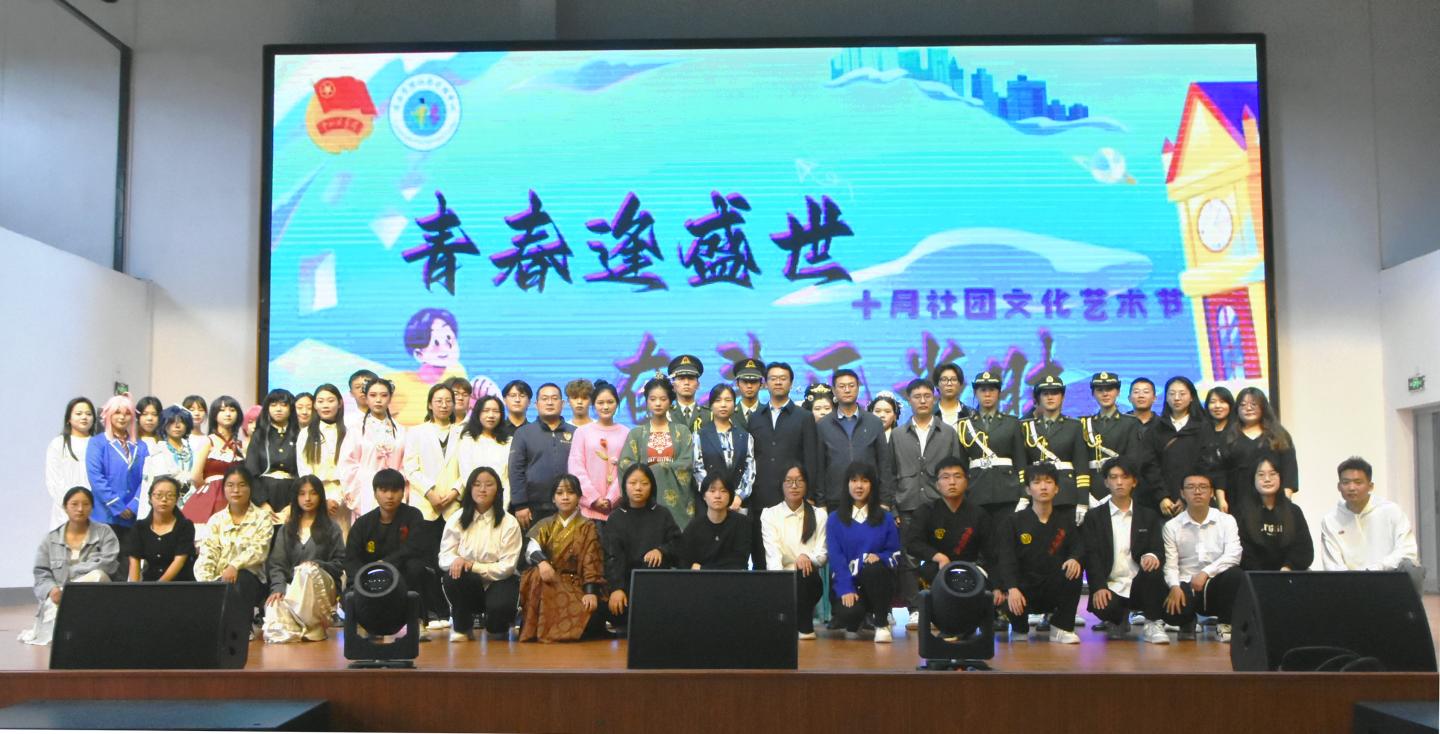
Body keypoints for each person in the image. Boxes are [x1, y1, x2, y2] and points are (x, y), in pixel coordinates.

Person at [890, 377, 959, 627]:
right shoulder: (897, 434)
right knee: (908, 559)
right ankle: (915, 609)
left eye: (927, 396)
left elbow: (956, 471)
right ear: (909, 400)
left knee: (940, 556)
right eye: (917, 396)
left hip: (939, 505)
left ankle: (943, 607)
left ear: (935, 398)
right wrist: (894, 509)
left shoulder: (948, 433)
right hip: (907, 505)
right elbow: (890, 473)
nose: (922, 400)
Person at [1080, 457, 1168, 644]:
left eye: (1125, 477)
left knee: (1154, 570)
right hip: (1111, 584)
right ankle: (1117, 619)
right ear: (1106, 482)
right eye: (1113, 477)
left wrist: (1151, 556)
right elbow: (1092, 556)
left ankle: (1153, 623)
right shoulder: (1094, 517)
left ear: (1134, 482)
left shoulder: (1148, 515)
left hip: (1139, 582)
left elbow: (1158, 549)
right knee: (1105, 607)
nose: (1119, 482)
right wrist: (1098, 587)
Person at [993, 464, 1085, 643]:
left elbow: (1078, 546)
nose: (1043, 487)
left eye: (1048, 482)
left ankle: (1061, 628)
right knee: (1006, 593)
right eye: (1036, 482)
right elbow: (1005, 558)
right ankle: (1019, 628)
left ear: (1056, 488)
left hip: (1053, 586)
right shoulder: (1013, 521)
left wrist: (1074, 558)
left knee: (1075, 571)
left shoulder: (1065, 521)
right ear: (1028, 489)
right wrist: (1011, 588)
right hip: (1023, 588)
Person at [20, 487, 119, 645]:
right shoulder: (51, 539)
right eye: (74, 504)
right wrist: (52, 590)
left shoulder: (105, 532)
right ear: (65, 507)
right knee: (57, 639)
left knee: (97, 575)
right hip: (58, 597)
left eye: (86, 504)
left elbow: (109, 563)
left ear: (92, 507)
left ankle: (69, 597)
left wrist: (70, 580)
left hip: (95, 597)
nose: (80, 509)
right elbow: (41, 573)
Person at [746, 361, 820, 568]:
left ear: (791, 383)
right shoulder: (755, 417)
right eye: (773, 378)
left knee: (794, 557)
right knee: (762, 558)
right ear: (765, 383)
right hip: (761, 498)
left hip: (794, 497)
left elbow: (811, 458)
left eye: (783, 378)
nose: (778, 382)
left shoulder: (804, 417)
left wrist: (811, 494)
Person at [402, 383, 463, 627]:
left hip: (454, 507)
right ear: (429, 404)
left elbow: (468, 468)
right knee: (425, 562)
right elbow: (410, 467)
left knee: (451, 560)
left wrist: (455, 491)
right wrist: (430, 492)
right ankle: (432, 612)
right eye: (439, 400)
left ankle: (453, 611)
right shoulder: (416, 432)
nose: (444, 405)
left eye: (448, 400)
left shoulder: (463, 433)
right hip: (426, 507)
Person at [518, 474, 605, 642]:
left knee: (590, 616)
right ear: (553, 498)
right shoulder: (545, 524)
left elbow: (591, 560)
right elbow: (531, 548)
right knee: (535, 575)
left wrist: (590, 592)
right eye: (559, 493)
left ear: (579, 497)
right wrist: (542, 562)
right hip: (550, 579)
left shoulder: (588, 526)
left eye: (570, 492)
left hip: (576, 583)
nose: (565, 497)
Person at [440, 466, 522, 641]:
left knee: (496, 628)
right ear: (469, 489)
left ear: (498, 490)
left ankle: (498, 624)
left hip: (500, 581)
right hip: (469, 581)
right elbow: (444, 556)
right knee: (453, 575)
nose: (482, 489)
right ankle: (463, 627)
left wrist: (473, 566)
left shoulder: (509, 522)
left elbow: (508, 567)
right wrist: (457, 560)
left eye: (489, 485)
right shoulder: (457, 518)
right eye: (477, 485)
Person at [1321, 456, 1424, 593]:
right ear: (1339, 487)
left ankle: (1411, 608)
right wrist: (1355, 580)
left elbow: (1407, 551)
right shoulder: (1330, 520)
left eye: (1358, 482)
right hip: (1350, 584)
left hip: (1387, 575)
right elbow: (1332, 565)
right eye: (1346, 482)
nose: (1351, 488)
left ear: (1370, 486)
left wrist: (1375, 570)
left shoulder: (1391, 511)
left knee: (1412, 568)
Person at [263, 475, 345, 643]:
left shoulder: (332, 528)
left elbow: (340, 563)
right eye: (302, 494)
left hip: (322, 587)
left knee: (306, 571)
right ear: (295, 497)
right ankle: (305, 628)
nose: (307, 498)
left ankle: (308, 623)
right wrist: (278, 587)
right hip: (291, 589)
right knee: (273, 614)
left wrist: (318, 565)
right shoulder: (287, 529)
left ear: (320, 496)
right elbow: (277, 564)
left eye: (313, 493)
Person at [345, 468, 428, 632]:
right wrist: (362, 578)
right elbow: (351, 558)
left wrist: (385, 563)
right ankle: (362, 624)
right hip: (370, 577)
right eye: (384, 490)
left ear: (403, 492)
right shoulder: (362, 524)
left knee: (416, 567)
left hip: (402, 574)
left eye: (395, 490)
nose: (390, 496)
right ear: (375, 493)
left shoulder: (413, 516)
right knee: (351, 588)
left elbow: (414, 547)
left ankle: (417, 622)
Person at [1162, 473, 1243, 641]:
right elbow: (1170, 564)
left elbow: (1234, 554)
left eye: (1203, 487)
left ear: (1212, 492)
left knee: (1235, 574)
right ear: (1182, 493)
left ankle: (1225, 623)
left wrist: (1206, 572)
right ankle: (1187, 622)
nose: (1197, 492)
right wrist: (1174, 586)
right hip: (1186, 583)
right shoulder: (1172, 526)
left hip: (1215, 583)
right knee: (1174, 612)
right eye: (1191, 487)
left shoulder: (1227, 520)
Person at [826, 461, 901, 643]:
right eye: (854, 480)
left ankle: (881, 623)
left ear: (872, 485)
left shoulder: (886, 518)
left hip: (878, 581)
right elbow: (836, 559)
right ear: (847, 484)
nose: (859, 486)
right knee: (849, 615)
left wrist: (880, 557)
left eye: (865, 481)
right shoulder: (834, 519)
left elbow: (895, 553)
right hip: (849, 583)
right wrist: (846, 588)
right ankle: (859, 617)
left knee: (874, 568)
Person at [903, 456, 992, 608]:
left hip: (971, 569)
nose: (952, 482)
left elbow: (991, 551)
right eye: (945, 477)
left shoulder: (979, 514)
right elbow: (912, 543)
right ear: (937, 484)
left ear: (966, 482)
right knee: (926, 574)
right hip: (937, 568)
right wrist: (939, 557)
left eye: (957, 476)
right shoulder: (926, 511)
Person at [603, 464, 682, 631]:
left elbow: (678, 544)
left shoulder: (662, 514)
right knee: (621, 617)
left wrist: (661, 550)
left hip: (657, 584)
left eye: (644, 483)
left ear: (652, 486)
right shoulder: (615, 518)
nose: (638, 488)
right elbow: (612, 557)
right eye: (633, 483)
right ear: (624, 486)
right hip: (626, 585)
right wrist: (616, 589)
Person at [195, 466, 273, 631]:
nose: (236, 490)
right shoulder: (216, 520)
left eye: (242, 485)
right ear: (224, 489)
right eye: (230, 485)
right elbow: (208, 553)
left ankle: (241, 630)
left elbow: (259, 550)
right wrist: (206, 583)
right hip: (219, 579)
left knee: (240, 581)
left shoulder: (262, 518)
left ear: (250, 488)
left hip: (251, 579)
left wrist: (234, 566)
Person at [760, 462, 828, 639]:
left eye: (799, 480)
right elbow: (773, 556)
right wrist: (780, 586)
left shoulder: (819, 514)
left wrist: (807, 557)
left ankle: (805, 628)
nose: (794, 486)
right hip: (782, 580)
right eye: (789, 481)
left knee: (804, 572)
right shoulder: (769, 514)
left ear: (806, 484)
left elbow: (822, 554)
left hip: (808, 579)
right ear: (781, 484)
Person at [618, 376, 694, 529]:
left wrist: (655, 468)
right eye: (653, 399)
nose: (658, 403)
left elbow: (687, 463)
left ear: (670, 401)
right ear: (647, 401)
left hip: (675, 503)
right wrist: (647, 474)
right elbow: (625, 463)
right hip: (644, 499)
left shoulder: (682, 431)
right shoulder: (636, 433)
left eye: (663, 399)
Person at [817, 369, 892, 511]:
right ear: (833, 390)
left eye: (851, 386)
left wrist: (885, 501)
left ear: (858, 388)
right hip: (835, 500)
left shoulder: (874, 422)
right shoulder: (823, 425)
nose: (847, 390)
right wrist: (821, 503)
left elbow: (884, 464)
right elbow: (819, 468)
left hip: (870, 499)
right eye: (842, 386)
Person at [959, 371, 1026, 523]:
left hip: (1008, 492)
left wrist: (1024, 495)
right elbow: (962, 465)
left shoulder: (1012, 423)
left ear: (999, 393)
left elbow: (1021, 462)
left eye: (992, 390)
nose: (987, 394)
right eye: (983, 390)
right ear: (975, 393)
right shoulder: (964, 425)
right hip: (976, 491)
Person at [509, 383, 577, 530]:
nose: (550, 402)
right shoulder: (523, 433)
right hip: (533, 509)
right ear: (536, 404)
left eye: (554, 398)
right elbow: (515, 470)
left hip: (570, 506)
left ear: (562, 403)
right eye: (545, 399)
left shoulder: (576, 432)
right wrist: (520, 504)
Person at [1021, 376, 1090, 520]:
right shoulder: (1026, 427)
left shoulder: (1075, 426)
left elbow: (1081, 466)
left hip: (1066, 493)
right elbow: (1023, 465)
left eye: (1055, 393)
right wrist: (1023, 496)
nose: (1050, 397)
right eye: (1045, 394)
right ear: (1038, 398)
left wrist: (1083, 501)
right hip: (1036, 494)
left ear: (1062, 397)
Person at [338, 377, 407, 521]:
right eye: (373, 395)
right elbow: (347, 465)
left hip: (394, 492)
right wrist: (367, 480)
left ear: (390, 398)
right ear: (366, 398)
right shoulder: (356, 430)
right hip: (366, 492)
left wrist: (396, 484)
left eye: (384, 395)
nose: (378, 400)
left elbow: (407, 463)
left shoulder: (401, 431)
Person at [1224, 387, 1299, 515]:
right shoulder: (1229, 436)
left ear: (1263, 407)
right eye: (1243, 405)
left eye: (1253, 404)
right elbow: (1221, 470)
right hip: (1237, 500)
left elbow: (1289, 467)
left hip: (1273, 500)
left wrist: (1286, 498)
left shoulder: (1279, 435)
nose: (1248, 408)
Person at [388, 307, 468, 427]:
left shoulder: (457, 372)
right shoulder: (397, 383)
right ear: (419, 354)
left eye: (448, 338)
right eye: (436, 343)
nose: (445, 348)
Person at [86, 395, 148, 542]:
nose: (122, 417)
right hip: (104, 515)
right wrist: (117, 505)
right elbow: (96, 477)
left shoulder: (141, 446)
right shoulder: (97, 443)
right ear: (108, 415)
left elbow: (146, 477)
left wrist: (134, 506)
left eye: (127, 413)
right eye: (117, 413)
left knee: (129, 556)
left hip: (133, 517)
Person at [1146, 376, 1210, 517]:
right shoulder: (1156, 428)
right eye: (1172, 393)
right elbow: (1150, 465)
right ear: (1166, 398)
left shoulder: (1203, 427)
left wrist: (1185, 497)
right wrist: (1162, 497)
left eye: (1182, 394)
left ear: (1191, 397)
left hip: (1195, 499)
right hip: (1162, 502)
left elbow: (1205, 464)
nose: (1176, 398)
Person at [568, 381, 629, 528]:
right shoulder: (582, 432)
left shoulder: (627, 432)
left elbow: (627, 469)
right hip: (587, 511)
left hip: (617, 510)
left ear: (617, 403)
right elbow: (576, 468)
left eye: (610, 402)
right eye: (600, 403)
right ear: (593, 405)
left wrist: (611, 499)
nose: (605, 407)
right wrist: (593, 498)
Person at [1238, 455, 1313, 572]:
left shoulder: (1294, 511)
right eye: (1261, 475)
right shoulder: (1242, 512)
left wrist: (1287, 568)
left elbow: (1304, 549)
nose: (1267, 479)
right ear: (1253, 479)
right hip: (1254, 575)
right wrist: (1262, 575)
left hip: (1288, 574)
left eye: (1272, 474)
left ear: (1280, 478)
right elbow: (1242, 550)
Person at [1080, 372, 1147, 504]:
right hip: (1092, 489)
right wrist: (1085, 494)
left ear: (1118, 392)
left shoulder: (1131, 423)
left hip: (1120, 486)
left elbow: (1133, 461)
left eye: (1110, 389)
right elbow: (1081, 462)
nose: (1105, 394)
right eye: (1100, 390)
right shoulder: (1084, 424)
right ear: (1093, 394)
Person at [185, 396, 246, 530]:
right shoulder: (208, 441)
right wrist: (211, 489)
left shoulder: (241, 445)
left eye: (232, 410)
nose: (228, 414)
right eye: (222, 410)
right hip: (211, 497)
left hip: (236, 496)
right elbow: (195, 476)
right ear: (214, 415)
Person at [444, 395, 513, 512]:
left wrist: (503, 506)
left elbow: (508, 478)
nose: (491, 415)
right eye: (486, 411)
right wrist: (480, 499)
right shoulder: (467, 439)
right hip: (473, 502)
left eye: (495, 411)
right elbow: (466, 475)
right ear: (478, 414)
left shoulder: (509, 441)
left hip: (501, 500)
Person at [693, 383, 754, 515]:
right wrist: (714, 494)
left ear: (734, 404)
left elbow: (750, 469)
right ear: (710, 405)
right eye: (718, 400)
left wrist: (738, 496)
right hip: (709, 504)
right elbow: (697, 468)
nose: (723, 405)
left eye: (728, 400)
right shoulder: (699, 435)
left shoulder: (745, 436)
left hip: (737, 505)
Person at [138, 406, 206, 521]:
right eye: (172, 422)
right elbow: (147, 488)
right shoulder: (156, 453)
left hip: (194, 506)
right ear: (164, 424)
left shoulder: (196, 451)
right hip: (165, 509)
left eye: (181, 422)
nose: (177, 426)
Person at [297, 384, 348, 533]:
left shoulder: (349, 432)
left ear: (340, 403)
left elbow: (350, 470)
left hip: (344, 497)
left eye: (330, 400)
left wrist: (338, 499)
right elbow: (304, 470)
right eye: (320, 401)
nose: (325, 405)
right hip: (315, 497)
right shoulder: (306, 433)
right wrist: (321, 499)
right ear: (315, 405)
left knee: (343, 537)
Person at [124, 476, 196, 582]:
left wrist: (158, 587)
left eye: (170, 495)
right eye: (159, 495)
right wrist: (135, 588)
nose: (164, 499)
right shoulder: (139, 527)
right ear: (150, 498)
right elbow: (134, 560)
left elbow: (179, 561)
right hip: (149, 583)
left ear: (177, 499)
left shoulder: (185, 526)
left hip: (179, 584)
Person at [244, 388, 300, 520]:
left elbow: (304, 472)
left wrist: (295, 504)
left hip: (293, 495)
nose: (278, 409)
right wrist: (262, 503)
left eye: (283, 405)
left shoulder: (300, 435)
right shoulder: (259, 436)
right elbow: (251, 471)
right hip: (264, 495)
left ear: (291, 408)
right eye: (273, 405)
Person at [45, 397, 95, 529]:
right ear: (69, 418)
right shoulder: (58, 443)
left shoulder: (98, 444)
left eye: (88, 414)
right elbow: (53, 479)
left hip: (93, 509)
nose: (84, 417)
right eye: (78, 413)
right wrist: (69, 505)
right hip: (64, 511)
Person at [681, 475, 751, 569]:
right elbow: (683, 560)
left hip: (732, 577)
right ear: (704, 496)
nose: (717, 496)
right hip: (700, 578)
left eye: (723, 491)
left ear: (730, 495)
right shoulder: (694, 526)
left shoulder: (742, 524)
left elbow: (739, 562)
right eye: (712, 491)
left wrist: (702, 569)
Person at [667, 355, 711, 434]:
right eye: (681, 378)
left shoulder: (709, 415)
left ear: (698, 385)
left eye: (691, 378)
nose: (686, 383)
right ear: (673, 385)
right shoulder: (666, 414)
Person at [932, 362, 973, 430]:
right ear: (937, 384)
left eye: (954, 379)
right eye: (944, 379)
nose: (949, 383)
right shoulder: (928, 415)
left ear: (960, 384)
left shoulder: (971, 414)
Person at [732, 358, 768, 426]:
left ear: (761, 383)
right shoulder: (729, 413)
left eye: (754, 381)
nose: (749, 386)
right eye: (745, 381)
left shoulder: (769, 413)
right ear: (737, 383)